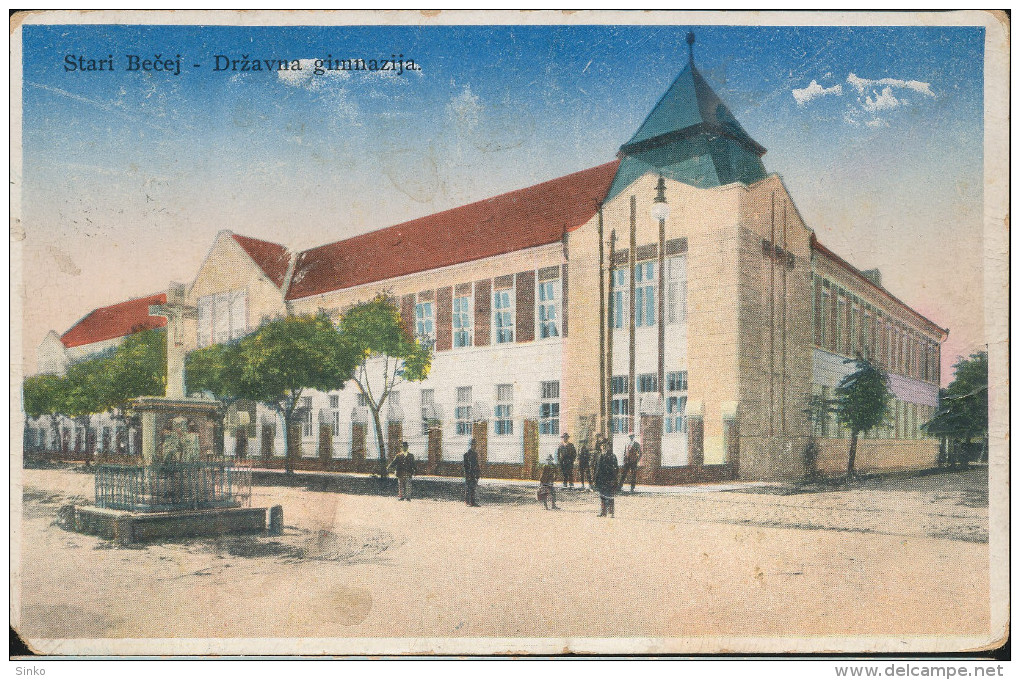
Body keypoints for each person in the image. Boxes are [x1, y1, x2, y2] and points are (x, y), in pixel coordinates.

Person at [594, 439, 618, 518]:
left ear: (609, 447)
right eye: (602, 446)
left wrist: (614, 479)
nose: (604, 447)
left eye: (606, 446)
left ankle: (611, 512)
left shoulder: (612, 456)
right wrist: (595, 478)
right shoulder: (599, 455)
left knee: (610, 496)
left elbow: (616, 469)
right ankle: (603, 512)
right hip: (601, 479)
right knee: (602, 496)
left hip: (609, 478)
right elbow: (597, 468)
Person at [463, 438, 481, 507]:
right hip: (469, 474)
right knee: (468, 488)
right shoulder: (466, 454)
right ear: (470, 445)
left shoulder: (475, 454)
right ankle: (467, 502)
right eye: (472, 444)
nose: (474, 446)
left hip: (474, 473)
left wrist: (478, 473)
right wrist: (467, 474)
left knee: (473, 488)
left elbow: (477, 464)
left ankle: (473, 502)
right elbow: (465, 466)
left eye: (475, 444)